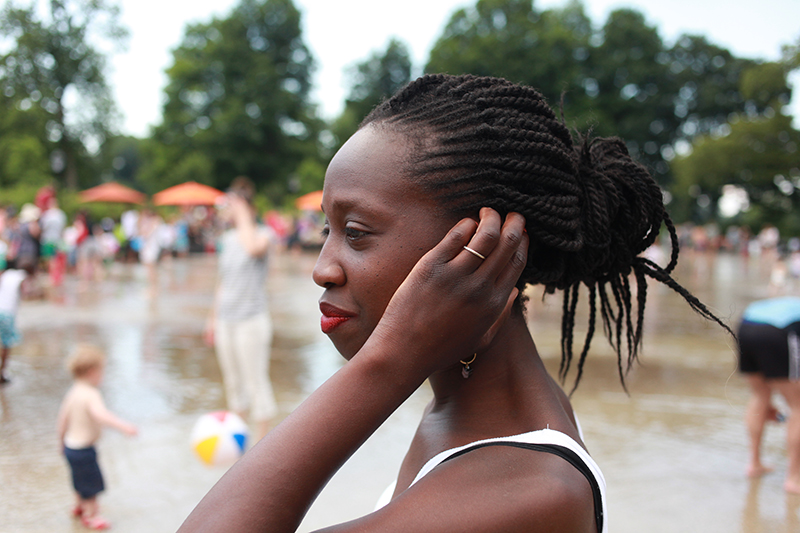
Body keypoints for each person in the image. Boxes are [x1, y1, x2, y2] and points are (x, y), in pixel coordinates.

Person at [180, 74, 730, 532]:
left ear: (486, 248)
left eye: (357, 232)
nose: (322, 267)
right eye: (327, 229)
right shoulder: (464, 407)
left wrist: (389, 362)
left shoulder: (533, 492)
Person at [205, 176, 278, 441]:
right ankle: (239, 442)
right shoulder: (227, 239)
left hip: (251, 320)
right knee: (233, 385)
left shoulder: (264, 234)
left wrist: (244, 216)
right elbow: (222, 282)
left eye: (235, 205)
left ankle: (261, 447)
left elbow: (252, 249)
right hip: (226, 320)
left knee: (256, 382)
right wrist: (212, 320)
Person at [56, 343, 138, 530]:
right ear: (92, 372)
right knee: (91, 485)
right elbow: (101, 415)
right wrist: (123, 426)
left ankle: (78, 506)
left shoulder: (73, 391)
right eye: (103, 371)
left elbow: (62, 421)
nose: (103, 375)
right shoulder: (91, 394)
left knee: (79, 480)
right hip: (84, 450)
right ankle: (91, 515)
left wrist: (60, 443)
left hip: (70, 448)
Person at [737, 296, 800, 493]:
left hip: (746, 324)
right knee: (798, 405)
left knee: (759, 395)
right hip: (777, 330)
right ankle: (794, 478)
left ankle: (754, 463)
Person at [0, 259, 32, 384]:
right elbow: (26, 293)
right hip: (8, 313)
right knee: (6, 344)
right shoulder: (23, 277)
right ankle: (2, 373)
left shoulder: (7, 273)